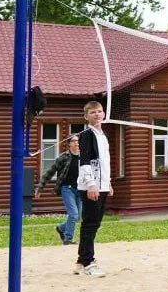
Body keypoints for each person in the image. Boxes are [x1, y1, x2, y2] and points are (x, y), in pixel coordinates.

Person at [74, 101, 113, 278]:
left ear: (104, 114)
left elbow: (105, 163)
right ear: (86, 116)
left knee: (94, 223)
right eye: (92, 112)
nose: (97, 114)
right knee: (90, 223)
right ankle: (89, 262)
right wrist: (90, 184)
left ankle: (82, 261)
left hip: (102, 185)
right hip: (91, 186)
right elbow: (85, 162)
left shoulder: (102, 136)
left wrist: (108, 183)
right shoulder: (87, 135)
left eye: (99, 111)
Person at [36, 135, 81, 245]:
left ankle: (61, 228)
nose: (76, 143)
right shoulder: (63, 157)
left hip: (80, 189)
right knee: (74, 214)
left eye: (78, 141)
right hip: (67, 189)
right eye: (74, 141)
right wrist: (40, 187)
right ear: (69, 144)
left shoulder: (83, 157)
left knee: (78, 216)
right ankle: (68, 239)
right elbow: (49, 172)